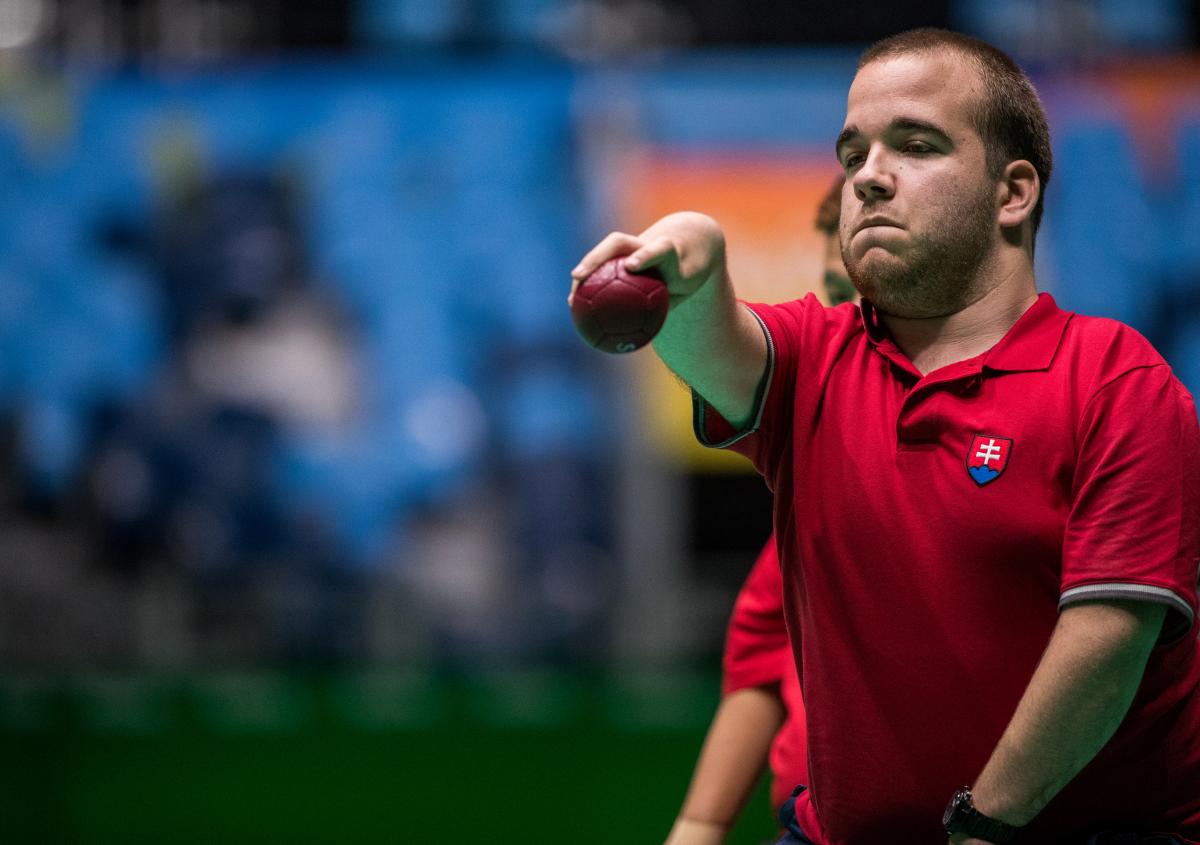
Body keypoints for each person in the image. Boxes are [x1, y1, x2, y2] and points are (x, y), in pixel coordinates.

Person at [571, 28, 1200, 845]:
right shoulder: (813, 356)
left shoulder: (1116, 381)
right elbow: (716, 353)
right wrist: (693, 266)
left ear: (1013, 193)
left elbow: (1108, 637)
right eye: (853, 151)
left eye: (915, 144)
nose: (868, 175)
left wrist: (984, 823)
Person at [664, 174, 853, 845]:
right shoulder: (807, 525)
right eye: (839, 297)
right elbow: (760, 668)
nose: (854, 325)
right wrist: (699, 824)